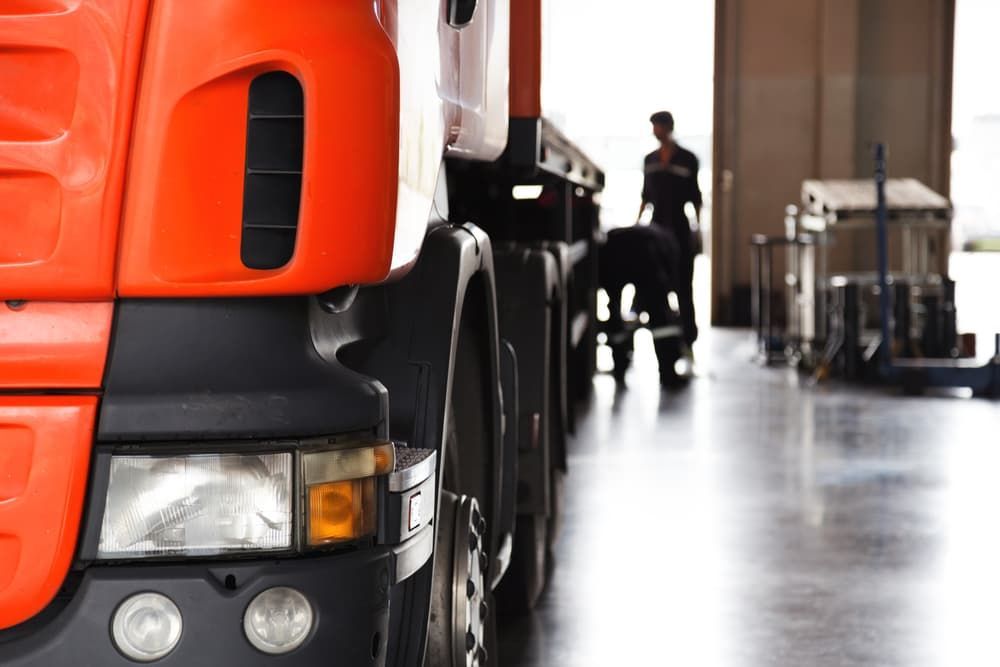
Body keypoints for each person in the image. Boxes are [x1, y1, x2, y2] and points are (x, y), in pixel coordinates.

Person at [639, 111, 702, 346]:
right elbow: (645, 196)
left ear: (668, 127)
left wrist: (697, 230)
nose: (655, 131)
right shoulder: (650, 160)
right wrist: (638, 226)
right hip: (656, 228)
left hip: (679, 228)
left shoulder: (688, 159)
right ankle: (664, 337)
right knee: (657, 283)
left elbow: (695, 198)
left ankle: (688, 339)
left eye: (658, 126)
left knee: (684, 284)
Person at [600, 224, 687, 387]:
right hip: (645, 255)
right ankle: (668, 371)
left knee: (614, 311)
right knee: (659, 315)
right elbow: (667, 289)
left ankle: (619, 365)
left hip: (614, 253)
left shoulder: (659, 238)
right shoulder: (668, 248)